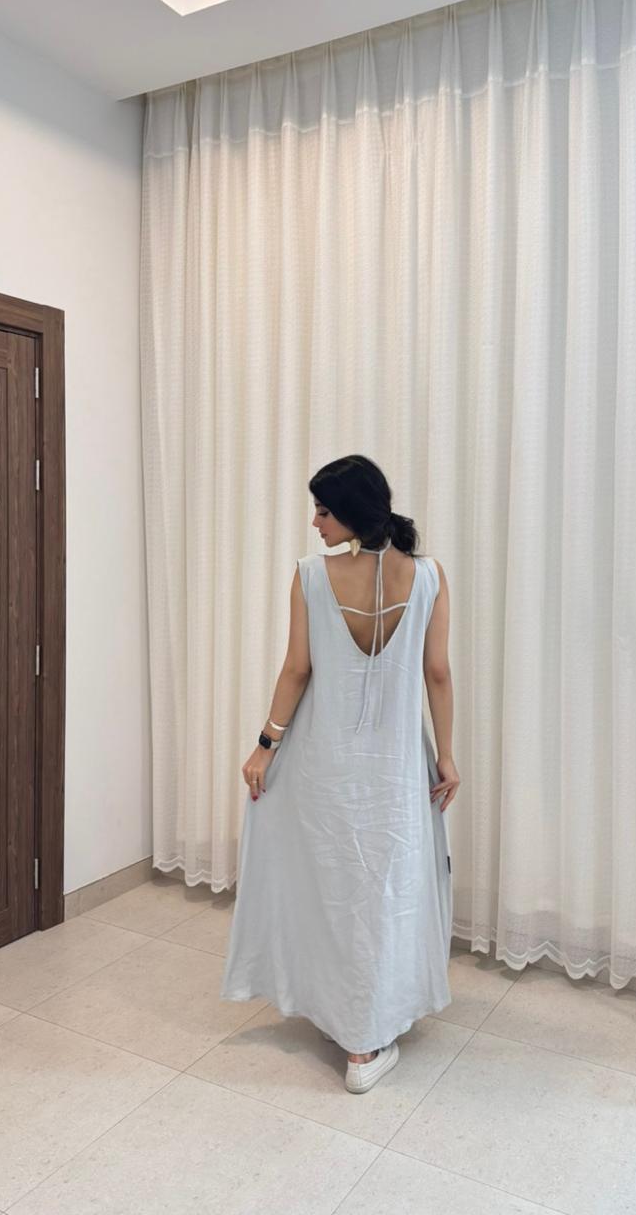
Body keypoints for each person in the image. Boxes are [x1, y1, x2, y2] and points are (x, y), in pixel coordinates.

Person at [219, 455, 460, 1094]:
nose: (316, 523)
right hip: (395, 770)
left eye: (324, 511)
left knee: (332, 884)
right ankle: (367, 1033)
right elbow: (438, 674)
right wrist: (446, 755)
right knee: (386, 890)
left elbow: (297, 670)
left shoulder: (310, 577)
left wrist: (265, 746)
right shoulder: (429, 576)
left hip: (325, 767)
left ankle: (355, 1032)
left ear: (351, 512)